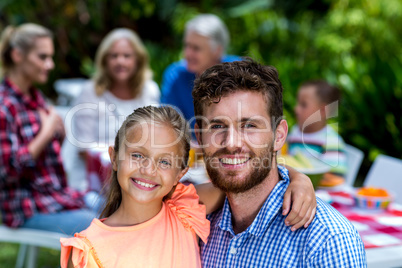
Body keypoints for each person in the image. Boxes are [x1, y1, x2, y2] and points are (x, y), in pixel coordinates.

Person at [60, 105, 317, 268]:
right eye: (138, 155)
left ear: (180, 173)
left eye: (164, 161)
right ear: (114, 158)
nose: (148, 170)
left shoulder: (183, 211)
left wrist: (298, 179)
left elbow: (249, 172)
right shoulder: (88, 251)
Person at [193, 59, 366, 267]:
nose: (231, 143)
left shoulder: (326, 242)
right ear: (200, 137)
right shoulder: (196, 221)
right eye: (217, 125)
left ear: (279, 135)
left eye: (249, 125)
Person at [0, 23, 96, 235]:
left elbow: (42, 162)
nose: (50, 64)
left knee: (116, 207)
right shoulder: (4, 106)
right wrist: (45, 134)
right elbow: (7, 172)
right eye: (42, 57)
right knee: (98, 224)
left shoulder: (36, 99)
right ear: (17, 55)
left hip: (54, 197)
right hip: (24, 208)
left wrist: (58, 135)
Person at [65, 28, 160, 191]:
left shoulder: (149, 91)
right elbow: (83, 149)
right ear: (104, 60)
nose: (120, 61)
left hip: (137, 179)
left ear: (138, 60)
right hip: (94, 184)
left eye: (127, 56)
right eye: (114, 56)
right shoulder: (90, 92)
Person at [161, 14, 240, 128]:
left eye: (196, 48)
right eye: (187, 46)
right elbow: (168, 123)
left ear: (217, 50)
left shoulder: (240, 72)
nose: (188, 53)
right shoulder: (175, 75)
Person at [287, 79, 347, 187]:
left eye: (303, 105)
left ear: (323, 111)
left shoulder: (331, 141)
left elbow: (336, 178)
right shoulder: (294, 132)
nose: (296, 109)